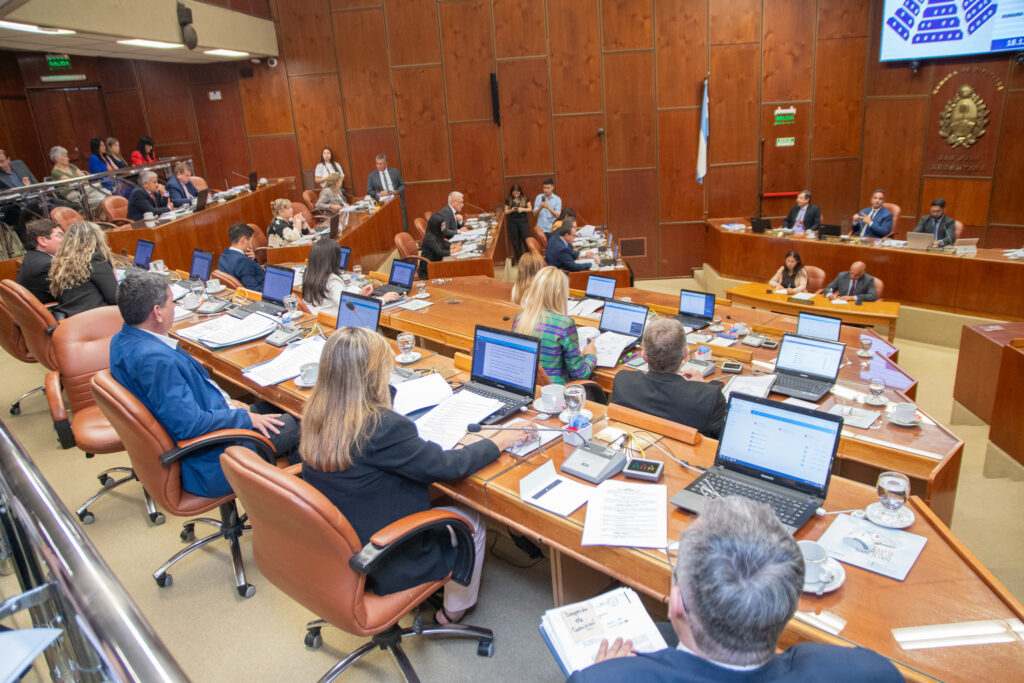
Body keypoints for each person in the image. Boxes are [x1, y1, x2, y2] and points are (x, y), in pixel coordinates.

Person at [299, 327, 530, 623]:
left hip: (342, 545)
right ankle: (453, 612)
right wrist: (499, 441)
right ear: (373, 376)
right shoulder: (381, 426)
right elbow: (448, 467)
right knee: (472, 521)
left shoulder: (318, 412)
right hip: (387, 554)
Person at [570, 496, 901, 682]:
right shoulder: (871, 673)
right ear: (790, 602)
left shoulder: (606, 679)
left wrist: (605, 671)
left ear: (677, 603)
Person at [110, 271, 300, 498]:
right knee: (314, 420)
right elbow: (189, 425)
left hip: (213, 424)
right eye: (171, 302)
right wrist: (244, 418)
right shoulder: (155, 360)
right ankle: (296, 500)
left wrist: (232, 405)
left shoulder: (122, 340)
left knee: (285, 406)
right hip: (214, 454)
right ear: (157, 312)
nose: (175, 307)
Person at [610, 318, 726, 439]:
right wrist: (702, 387)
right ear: (686, 353)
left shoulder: (622, 381)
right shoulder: (708, 396)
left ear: (644, 356)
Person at [513, 266, 596, 384]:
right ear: (559, 292)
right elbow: (580, 374)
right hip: (556, 390)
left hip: (528, 386)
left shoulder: (520, 318)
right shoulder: (564, 323)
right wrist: (591, 356)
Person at [301, 237, 398, 315]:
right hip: (336, 324)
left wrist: (359, 294)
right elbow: (353, 307)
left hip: (320, 320)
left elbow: (337, 295)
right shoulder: (332, 280)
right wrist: (383, 299)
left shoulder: (309, 274)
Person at [48, 221, 118, 318]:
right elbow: (115, 297)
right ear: (97, 239)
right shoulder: (95, 259)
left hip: (73, 318)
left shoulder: (61, 263)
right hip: (96, 318)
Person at [16, 219, 64, 304]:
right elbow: (69, 295)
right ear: (42, 241)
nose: (65, 239)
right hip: (52, 310)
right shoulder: (47, 265)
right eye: (60, 235)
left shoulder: (31, 256)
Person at [50, 145, 106, 210]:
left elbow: (85, 178)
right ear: (57, 158)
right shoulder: (55, 172)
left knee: (105, 194)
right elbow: (71, 183)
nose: (68, 158)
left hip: (84, 188)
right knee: (100, 198)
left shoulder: (71, 166)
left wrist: (78, 181)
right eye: (65, 156)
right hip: (71, 193)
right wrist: (80, 181)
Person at [217, 222, 265, 291]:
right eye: (250, 241)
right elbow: (253, 290)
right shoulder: (243, 262)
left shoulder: (223, 257)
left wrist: (252, 260)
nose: (251, 245)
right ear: (243, 239)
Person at [418, 212, 462, 278]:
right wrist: (455, 250)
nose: (444, 227)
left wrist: (455, 245)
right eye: (442, 225)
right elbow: (440, 252)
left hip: (437, 262)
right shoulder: (430, 238)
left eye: (444, 224)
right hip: (429, 268)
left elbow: (444, 244)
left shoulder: (437, 233)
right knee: (454, 269)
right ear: (436, 226)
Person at [504, 184, 532, 262]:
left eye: (517, 191)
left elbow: (530, 209)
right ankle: (519, 260)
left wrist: (522, 209)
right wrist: (512, 210)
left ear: (520, 191)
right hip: (512, 222)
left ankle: (529, 259)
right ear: (512, 192)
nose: (516, 193)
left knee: (526, 240)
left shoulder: (525, 198)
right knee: (516, 242)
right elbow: (505, 211)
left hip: (523, 222)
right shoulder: (508, 199)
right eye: (514, 191)